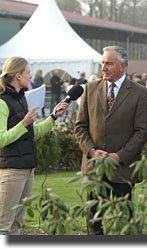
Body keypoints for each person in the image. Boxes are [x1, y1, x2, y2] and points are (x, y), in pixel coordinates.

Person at [74, 46, 147, 235]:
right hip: (95, 169)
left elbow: (142, 132)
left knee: (125, 224)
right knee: (94, 223)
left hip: (122, 170)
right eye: (102, 63)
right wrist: (91, 151)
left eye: (109, 63)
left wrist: (119, 156)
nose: (104, 67)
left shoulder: (140, 93)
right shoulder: (90, 89)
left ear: (122, 66)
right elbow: (80, 127)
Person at [0, 56, 68, 235]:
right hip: (11, 171)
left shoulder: (22, 100)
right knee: (4, 226)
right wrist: (23, 123)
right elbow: (1, 139)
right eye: (28, 73)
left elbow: (32, 134)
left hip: (27, 170)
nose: (31, 76)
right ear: (18, 76)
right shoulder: (2, 102)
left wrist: (53, 117)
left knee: (17, 224)